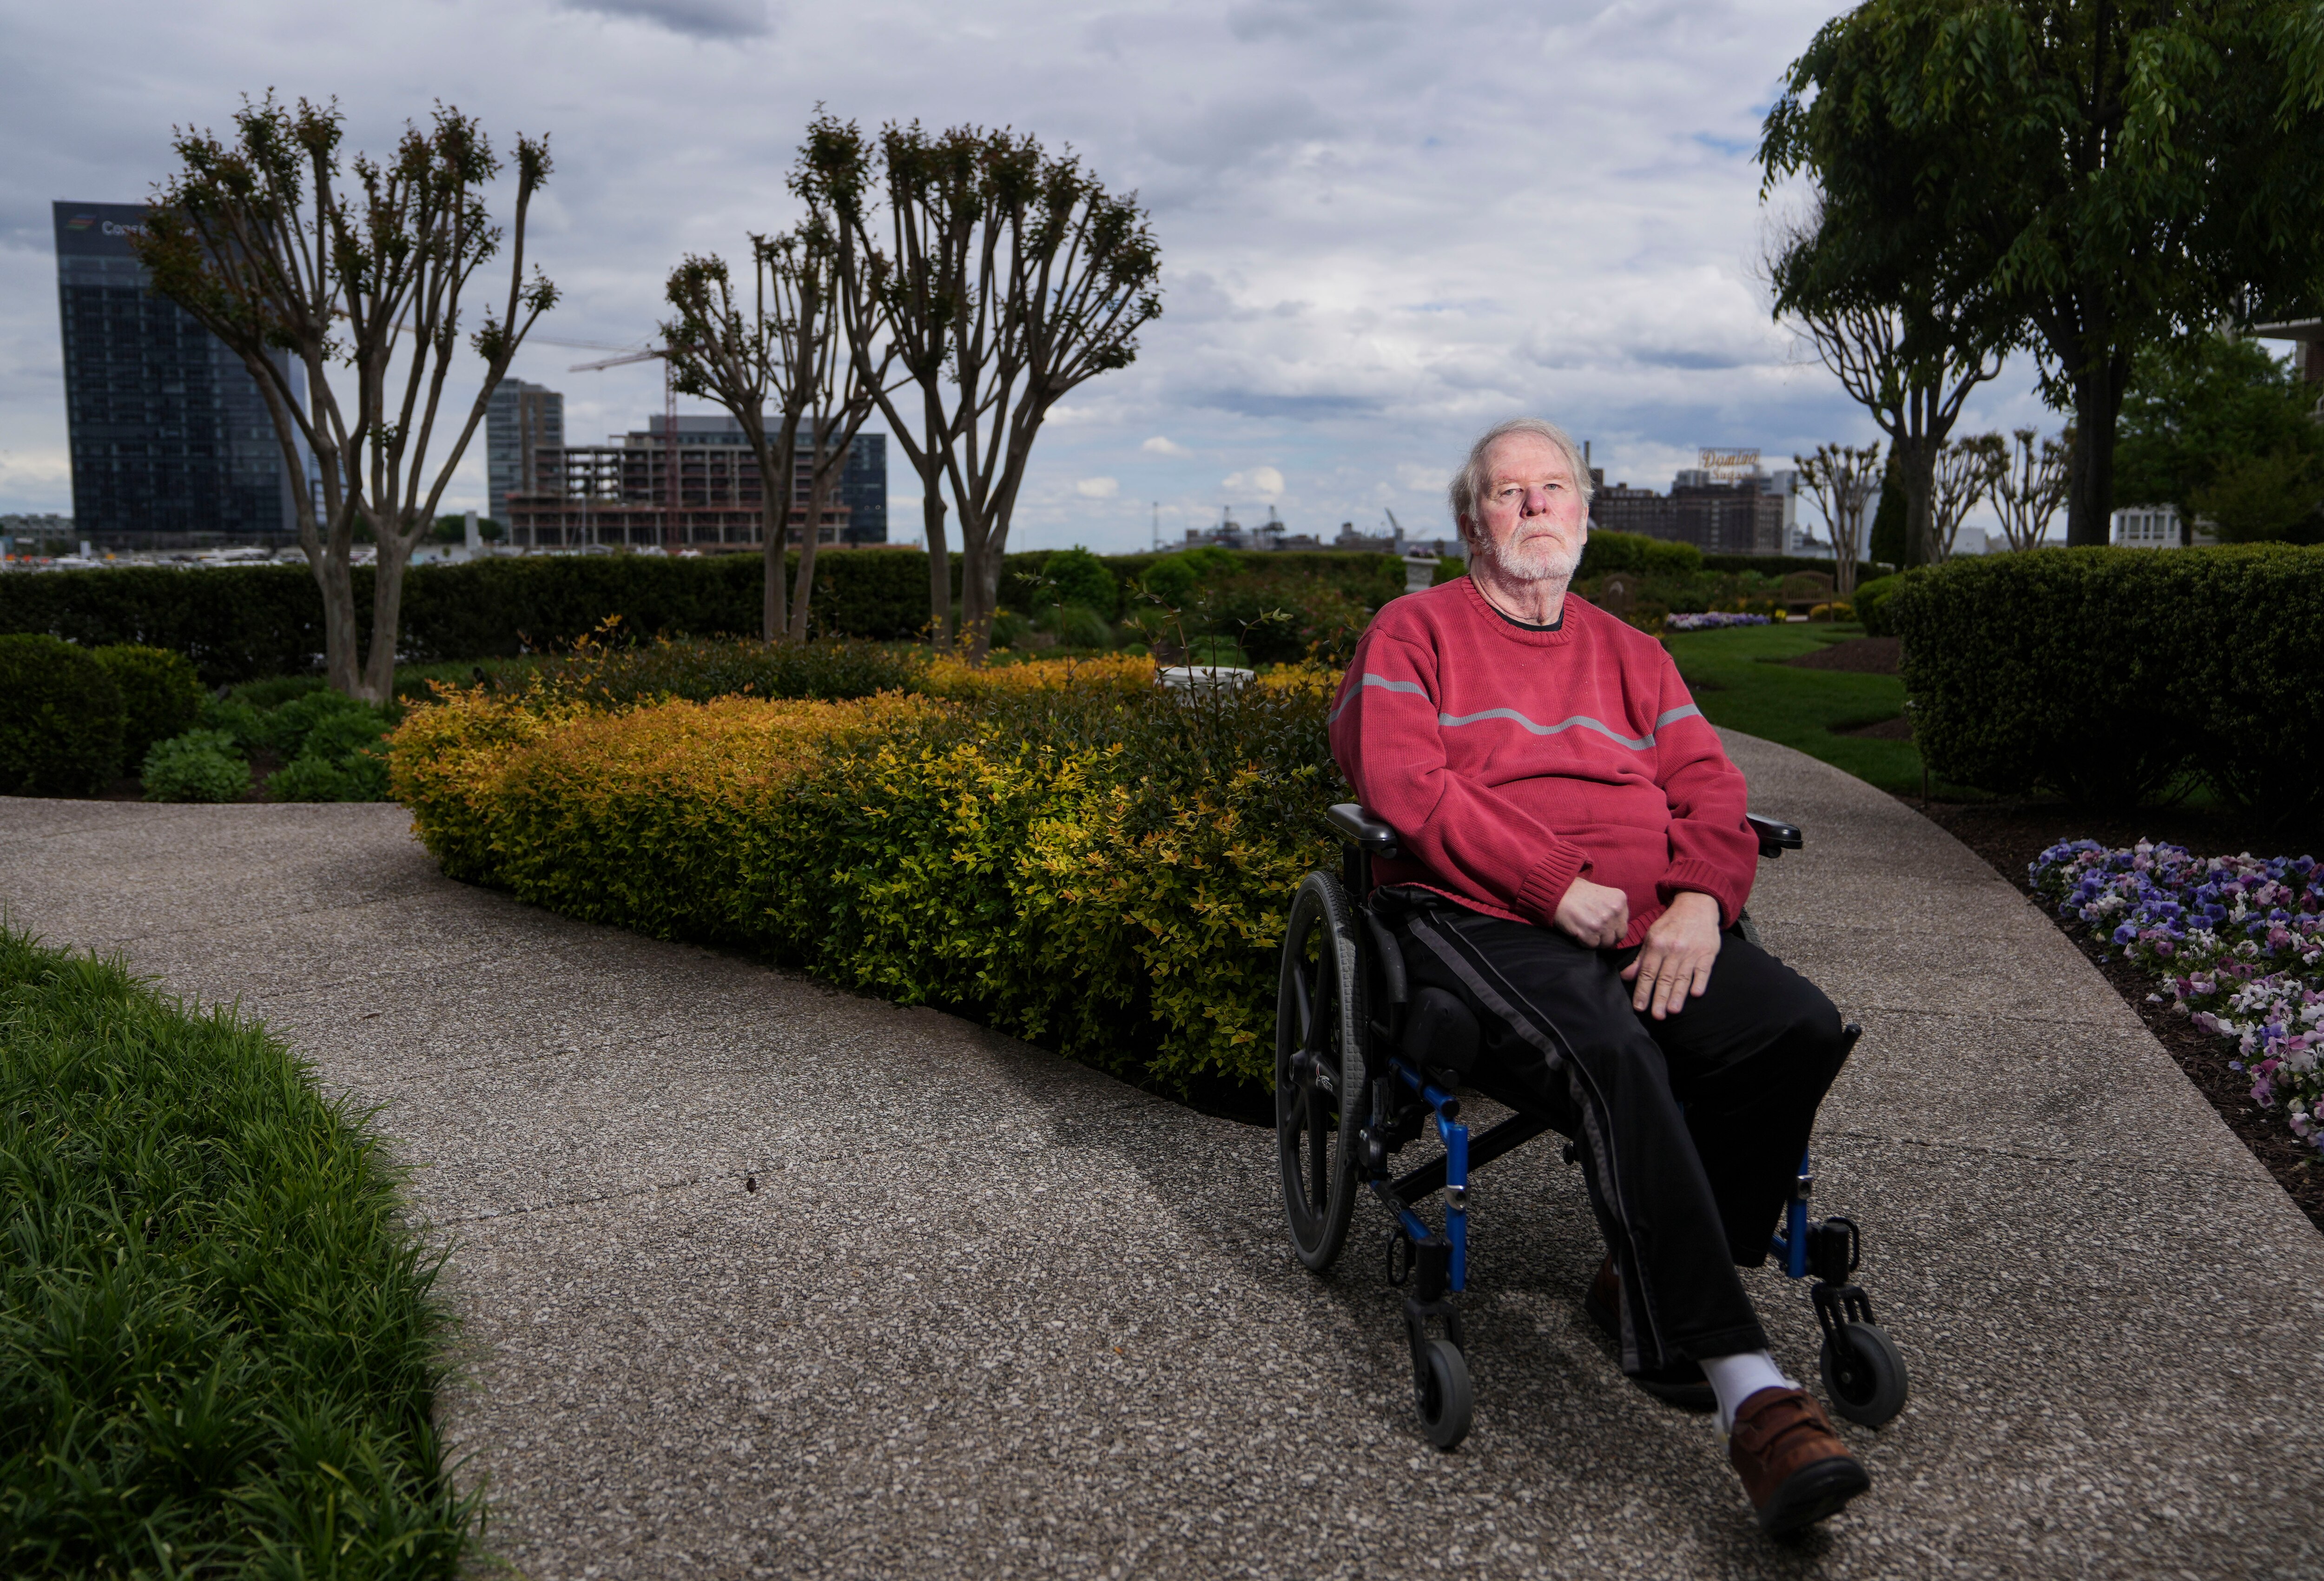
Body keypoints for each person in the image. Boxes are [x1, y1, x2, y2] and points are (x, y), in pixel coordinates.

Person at [1327, 417, 1869, 1537]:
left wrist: (1702, 904)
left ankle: (1649, 1276)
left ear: (1584, 513)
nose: (1534, 505)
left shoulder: (1633, 654)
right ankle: (1751, 1396)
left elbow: (1714, 793)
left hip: (1648, 921)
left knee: (1797, 1030)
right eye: (1507, 491)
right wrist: (1550, 880)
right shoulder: (1411, 631)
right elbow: (1402, 782)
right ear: (1471, 522)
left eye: (1554, 487)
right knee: (1615, 1054)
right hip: (1479, 913)